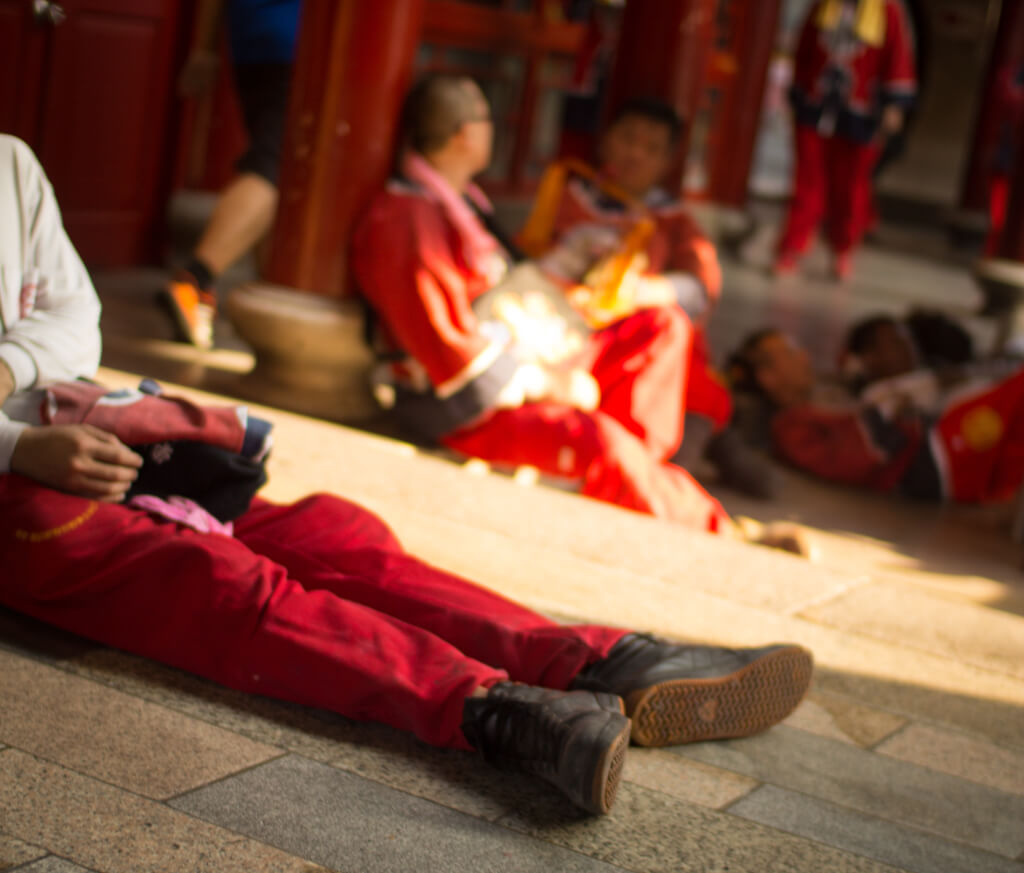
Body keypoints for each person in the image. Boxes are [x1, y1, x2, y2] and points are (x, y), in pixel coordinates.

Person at [0, 133, 813, 816]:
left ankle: (597, 661)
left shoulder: (13, 164)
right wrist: (12, 445)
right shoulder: (412, 210)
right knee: (214, 577)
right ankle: (492, 709)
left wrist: (8, 372)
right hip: (19, 471)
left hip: (76, 421)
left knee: (333, 534)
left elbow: (77, 322)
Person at [353, 75, 793, 535]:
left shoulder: (462, 202)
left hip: (538, 346)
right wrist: (550, 384)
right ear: (467, 135)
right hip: (476, 400)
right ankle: (711, 521)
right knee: (603, 442)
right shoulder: (409, 220)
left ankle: (639, 479)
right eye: (486, 120)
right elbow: (456, 363)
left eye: (651, 147)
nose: (635, 154)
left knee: (661, 328)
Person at [525, 96, 778, 498]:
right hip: (564, 323)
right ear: (606, 140)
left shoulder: (675, 220)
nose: (635, 155)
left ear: (667, 162)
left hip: (637, 326)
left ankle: (664, 467)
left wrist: (644, 291)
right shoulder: (567, 194)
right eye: (628, 139)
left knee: (683, 368)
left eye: (652, 149)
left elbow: (701, 283)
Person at [729, 328, 1024, 505]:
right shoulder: (789, 426)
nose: (804, 355)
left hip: (932, 441)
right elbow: (847, 463)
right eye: (791, 351)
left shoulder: (827, 392)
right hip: (924, 464)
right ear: (767, 377)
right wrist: (889, 413)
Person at [163, 0, 303, 349]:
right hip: (297, 41)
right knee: (276, 167)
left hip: (250, 36)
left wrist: (205, 47)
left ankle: (261, 301)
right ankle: (196, 279)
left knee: (273, 158)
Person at [775, 0, 916, 280]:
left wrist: (893, 105)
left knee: (850, 186)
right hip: (816, 106)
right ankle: (792, 246)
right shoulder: (824, 5)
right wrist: (797, 90)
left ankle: (843, 248)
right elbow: (804, 48)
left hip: (860, 110)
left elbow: (897, 58)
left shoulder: (888, 10)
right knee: (807, 179)